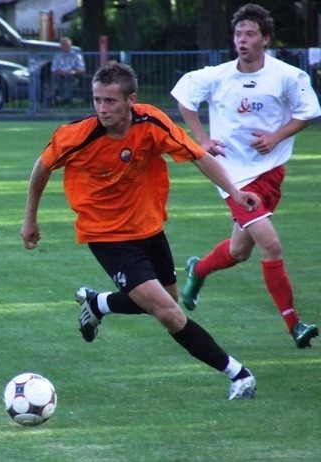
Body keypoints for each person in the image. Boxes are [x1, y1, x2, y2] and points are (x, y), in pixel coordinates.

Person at [21, 62, 261, 400]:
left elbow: (198, 156)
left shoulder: (151, 122)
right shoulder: (76, 136)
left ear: (130, 100)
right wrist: (30, 218)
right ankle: (238, 374)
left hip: (149, 229)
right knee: (169, 313)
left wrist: (235, 193)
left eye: (110, 101)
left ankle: (98, 303)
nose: (102, 109)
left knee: (168, 300)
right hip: (107, 236)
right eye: (97, 100)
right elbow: (41, 168)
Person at [171, 3, 320, 348]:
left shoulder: (285, 76)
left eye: (250, 34)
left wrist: (276, 137)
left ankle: (198, 270)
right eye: (238, 34)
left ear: (265, 39)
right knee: (271, 244)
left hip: (270, 174)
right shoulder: (217, 76)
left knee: (240, 251)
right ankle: (295, 325)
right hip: (233, 178)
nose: (242, 39)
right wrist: (202, 139)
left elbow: (308, 113)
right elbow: (184, 97)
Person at [50, 37, 86, 105]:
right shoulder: (57, 56)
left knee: (69, 80)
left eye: (67, 44)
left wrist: (73, 71)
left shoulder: (76, 55)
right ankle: (56, 99)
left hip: (73, 75)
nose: (65, 46)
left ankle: (67, 99)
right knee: (54, 80)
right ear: (61, 46)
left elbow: (82, 68)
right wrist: (62, 72)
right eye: (63, 44)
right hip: (59, 75)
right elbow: (53, 69)